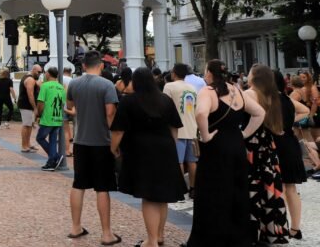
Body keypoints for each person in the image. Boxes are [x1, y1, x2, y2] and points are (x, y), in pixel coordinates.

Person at [186, 60, 265, 247]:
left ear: (210, 73)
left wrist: (205, 136)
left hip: (216, 146)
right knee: (237, 191)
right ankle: (237, 236)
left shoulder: (208, 91)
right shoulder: (237, 90)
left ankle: (211, 238)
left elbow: (200, 114)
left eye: (206, 71)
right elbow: (259, 113)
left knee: (212, 192)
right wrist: (244, 134)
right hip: (236, 146)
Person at [111, 68, 186, 247]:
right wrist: (170, 145)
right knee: (162, 195)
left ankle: (151, 241)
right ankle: (159, 236)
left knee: (148, 195)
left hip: (141, 150)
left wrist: (113, 148)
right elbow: (175, 127)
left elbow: (118, 129)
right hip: (165, 149)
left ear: (135, 82)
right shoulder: (165, 100)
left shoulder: (129, 101)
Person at [66, 50, 120, 245]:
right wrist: (114, 141)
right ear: (101, 65)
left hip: (80, 141)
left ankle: (75, 227)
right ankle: (106, 234)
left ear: (83, 66)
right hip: (102, 141)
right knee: (102, 187)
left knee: (78, 184)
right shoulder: (107, 85)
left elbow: (71, 106)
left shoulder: (74, 83)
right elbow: (110, 113)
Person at [243, 64, 289, 245]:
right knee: (269, 187)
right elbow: (278, 129)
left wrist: (245, 133)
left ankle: (253, 230)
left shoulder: (248, 94)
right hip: (268, 148)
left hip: (252, 148)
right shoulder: (273, 97)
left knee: (252, 188)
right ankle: (272, 230)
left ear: (254, 77)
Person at [273, 72, 309, 240]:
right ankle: (295, 228)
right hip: (290, 143)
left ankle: (277, 227)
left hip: (277, 145)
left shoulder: (269, 100)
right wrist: (290, 121)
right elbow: (306, 110)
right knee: (291, 189)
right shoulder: (287, 99)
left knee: (276, 189)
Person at [163, 63, 199, 198]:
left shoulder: (169, 86)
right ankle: (193, 188)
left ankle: (180, 188)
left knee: (178, 161)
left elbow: (165, 106)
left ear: (174, 73)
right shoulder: (192, 88)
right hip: (192, 128)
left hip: (176, 129)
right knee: (192, 161)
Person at [36, 66, 66, 171]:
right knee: (53, 140)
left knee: (40, 138)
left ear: (48, 74)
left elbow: (41, 103)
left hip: (47, 117)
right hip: (57, 117)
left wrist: (38, 115)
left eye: (45, 73)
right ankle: (51, 162)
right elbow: (63, 103)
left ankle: (55, 157)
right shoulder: (61, 87)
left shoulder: (45, 86)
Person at [18, 64, 42, 152]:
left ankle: (27, 144)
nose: (39, 74)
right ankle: (24, 146)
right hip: (26, 105)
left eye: (41, 72)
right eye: (38, 72)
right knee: (26, 125)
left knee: (29, 125)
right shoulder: (30, 79)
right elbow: (30, 95)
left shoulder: (30, 78)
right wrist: (35, 108)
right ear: (34, 70)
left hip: (27, 105)